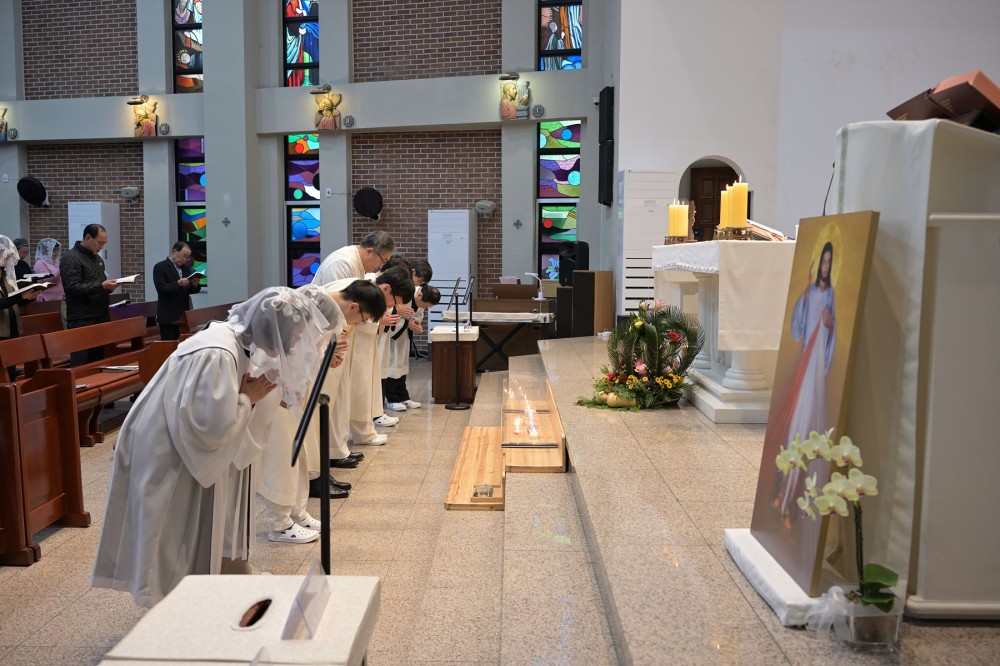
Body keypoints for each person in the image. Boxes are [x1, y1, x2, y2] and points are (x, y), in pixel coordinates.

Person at [93, 286, 336, 608]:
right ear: (274, 327)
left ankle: (200, 590)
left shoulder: (236, 341)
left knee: (187, 523)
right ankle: (167, 604)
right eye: (295, 335)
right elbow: (210, 427)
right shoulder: (217, 352)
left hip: (177, 438)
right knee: (168, 526)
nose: (294, 344)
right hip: (166, 446)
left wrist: (255, 396)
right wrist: (248, 399)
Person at [256, 279, 386, 542]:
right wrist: (285, 386)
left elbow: (309, 351)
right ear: (354, 306)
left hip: (298, 389)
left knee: (301, 453)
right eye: (362, 320)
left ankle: (297, 511)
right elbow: (283, 347)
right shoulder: (309, 303)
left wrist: (328, 355)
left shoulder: (329, 309)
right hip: (278, 388)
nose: (359, 324)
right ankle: (280, 523)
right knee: (283, 453)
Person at [771, 241, 837, 529]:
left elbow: (832, 332)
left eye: (829, 262)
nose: (825, 266)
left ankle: (786, 501)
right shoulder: (810, 293)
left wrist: (829, 323)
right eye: (823, 261)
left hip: (816, 371)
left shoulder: (831, 295)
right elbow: (797, 328)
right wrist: (805, 294)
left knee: (808, 432)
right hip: (804, 368)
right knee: (795, 431)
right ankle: (783, 499)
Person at [60, 223, 117, 366]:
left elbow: (99, 284)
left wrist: (108, 288)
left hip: (99, 314)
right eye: (99, 242)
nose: (101, 247)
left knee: (97, 360)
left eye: (104, 243)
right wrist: (101, 286)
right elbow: (72, 288)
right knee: (81, 360)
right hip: (81, 317)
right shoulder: (71, 258)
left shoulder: (98, 259)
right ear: (88, 237)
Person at [382, 284, 440, 411]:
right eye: (425, 305)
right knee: (392, 365)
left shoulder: (420, 299)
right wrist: (408, 324)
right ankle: (392, 399)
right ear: (420, 294)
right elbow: (391, 312)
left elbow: (419, 313)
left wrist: (416, 322)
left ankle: (403, 397)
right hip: (392, 335)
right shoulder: (405, 294)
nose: (424, 308)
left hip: (403, 336)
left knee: (402, 366)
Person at [1, 236, 40, 380]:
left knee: (11, 369)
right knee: (3, 372)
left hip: (12, 327)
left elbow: (13, 301)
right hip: (1, 330)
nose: (10, 258)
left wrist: (27, 298)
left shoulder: (6, 274)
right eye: (7, 255)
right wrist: (19, 297)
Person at [153, 241, 202, 341]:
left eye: (187, 257)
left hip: (184, 316)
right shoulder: (160, 267)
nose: (185, 260)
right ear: (174, 251)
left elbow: (189, 290)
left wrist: (195, 285)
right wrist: (178, 283)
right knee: (170, 346)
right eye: (183, 256)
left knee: (184, 346)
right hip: (168, 317)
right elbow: (161, 289)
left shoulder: (186, 269)